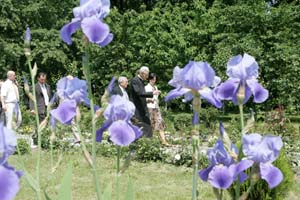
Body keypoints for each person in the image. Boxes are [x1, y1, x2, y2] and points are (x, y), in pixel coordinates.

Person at [129, 66, 160, 137]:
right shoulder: (135, 80)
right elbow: (139, 93)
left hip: (142, 108)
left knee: (147, 125)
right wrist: (152, 93)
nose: (147, 77)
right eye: (147, 75)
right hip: (137, 108)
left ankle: (147, 141)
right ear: (143, 73)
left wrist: (149, 98)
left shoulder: (141, 81)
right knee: (138, 125)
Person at [145, 73, 169, 146]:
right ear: (149, 79)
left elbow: (156, 97)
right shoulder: (146, 87)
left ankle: (164, 141)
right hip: (149, 107)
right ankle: (149, 142)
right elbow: (144, 98)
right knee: (151, 124)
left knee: (160, 123)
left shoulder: (155, 87)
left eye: (155, 79)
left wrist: (157, 93)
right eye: (152, 79)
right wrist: (150, 98)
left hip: (156, 107)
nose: (154, 81)